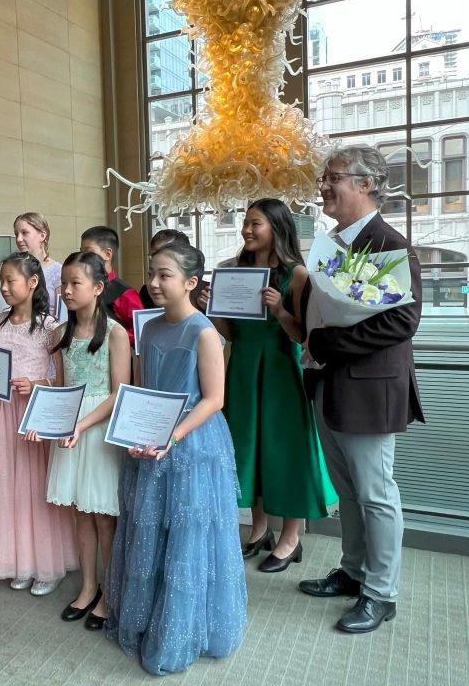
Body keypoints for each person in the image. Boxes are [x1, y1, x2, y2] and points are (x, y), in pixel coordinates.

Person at [298, 144, 424, 634]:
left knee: (376, 494)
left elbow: (402, 321)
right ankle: (352, 572)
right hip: (328, 384)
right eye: (324, 177)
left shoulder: (390, 243)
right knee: (347, 490)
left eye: (333, 177)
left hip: (368, 389)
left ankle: (381, 593)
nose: (324, 186)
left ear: (366, 183)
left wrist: (329, 341)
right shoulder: (334, 245)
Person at [105, 242, 246, 676]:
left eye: (165, 275)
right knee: (149, 531)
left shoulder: (204, 332)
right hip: (154, 439)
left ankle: (180, 631)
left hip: (194, 443)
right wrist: (135, 430)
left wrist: (173, 435)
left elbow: (215, 400)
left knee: (187, 536)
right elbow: (144, 390)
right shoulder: (147, 329)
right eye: (152, 273)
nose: (154, 282)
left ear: (190, 282)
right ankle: (149, 620)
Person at [208, 199, 336, 573]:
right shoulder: (235, 272)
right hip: (244, 368)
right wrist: (213, 311)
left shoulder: (295, 275)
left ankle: (291, 538)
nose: (247, 230)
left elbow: (304, 336)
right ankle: (259, 528)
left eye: (255, 224)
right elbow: (231, 334)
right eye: (245, 224)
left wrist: (280, 310)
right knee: (248, 449)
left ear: (277, 228)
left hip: (281, 369)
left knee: (285, 451)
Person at [41, 252, 130, 629]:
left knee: (104, 516)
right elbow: (61, 386)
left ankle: (110, 591)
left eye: (76, 283)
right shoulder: (59, 333)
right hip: (70, 428)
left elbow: (119, 391)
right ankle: (88, 585)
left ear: (98, 287)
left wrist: (83, 424)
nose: (67, 290)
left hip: (99, 428)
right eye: (64, 283)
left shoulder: (114, 332)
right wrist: (44, 416)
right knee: (80, 511)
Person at [0, 252, 77, 596]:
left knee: (35, 487)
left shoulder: (50, 328)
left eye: (11, 280)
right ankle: (19, 559)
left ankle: (46, 564)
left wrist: (35, 384)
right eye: (2, 281)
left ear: (33, 282)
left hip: (33, 413)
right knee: (9, 484)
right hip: (2, 412)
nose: (4, 287)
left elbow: (62, 379)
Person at [79, 226, 144, 347]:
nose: (83, 257)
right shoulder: (82, 286)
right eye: (81, 252)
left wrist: (112, 336)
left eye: (87, 252)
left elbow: (139, 331)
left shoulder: (125, 293)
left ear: (107, 254)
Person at [14, 212, 62, 315]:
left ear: (42, 235)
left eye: (24, 233)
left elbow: (62, 314)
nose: (18, 239)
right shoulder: (16, 269)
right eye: (16, 234)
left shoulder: (58, 271)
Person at [139, 228, 189, 309]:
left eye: (163, 253)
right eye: (154, 254)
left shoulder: (204, 294)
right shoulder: (146, 292)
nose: (153, 284)